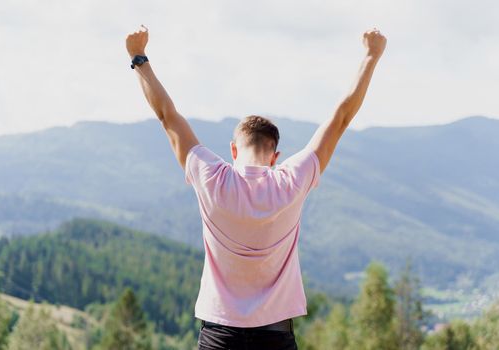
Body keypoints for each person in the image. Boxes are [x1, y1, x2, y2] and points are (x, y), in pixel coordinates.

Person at [126, 25, 386, 350]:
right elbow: (341, 118)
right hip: (276, 336)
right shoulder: (291, 180)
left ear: (233, 150)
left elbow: (167, 115)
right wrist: (370, 56)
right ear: (276, 157)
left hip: (219, 334)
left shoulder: (212, 177)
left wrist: (138, 56)